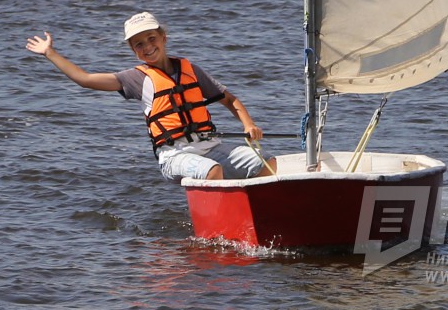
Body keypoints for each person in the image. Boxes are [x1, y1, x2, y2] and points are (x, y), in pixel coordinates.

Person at [25, 12, 277, 183]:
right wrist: (50, 53)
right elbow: (85, 79)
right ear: (133, 50)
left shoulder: (190, 70)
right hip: (174, 157)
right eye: (138, 44)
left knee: (266, 162)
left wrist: (249, 124)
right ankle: (220, 224)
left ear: (163, 38)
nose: (147, 46)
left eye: (151, 38)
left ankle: (259, 213)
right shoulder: (136, 78)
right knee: (212, 170)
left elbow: (230, 100)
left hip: (211, 147)